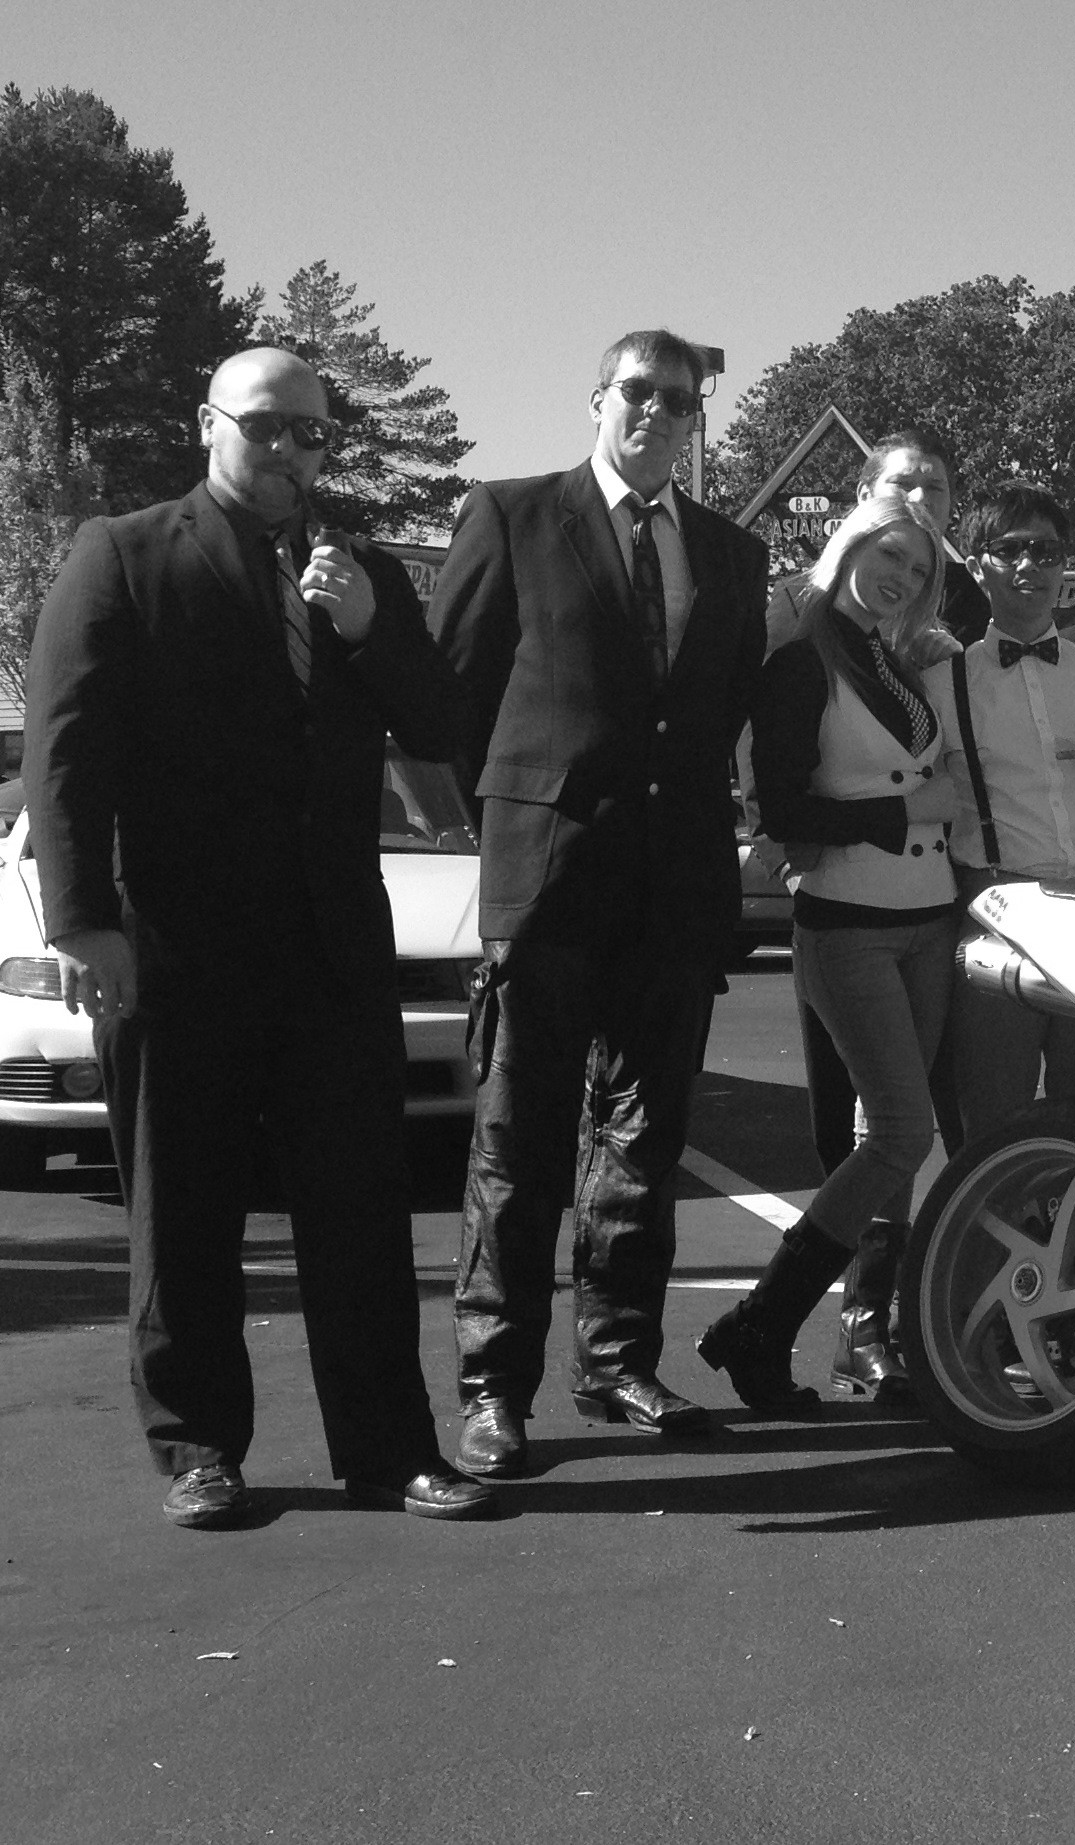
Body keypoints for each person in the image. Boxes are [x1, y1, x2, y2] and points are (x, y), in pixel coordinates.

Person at [24, 347, 491, 1526]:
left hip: (332, 950)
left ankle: (389, 1450)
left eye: (310, 434)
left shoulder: (358, 573)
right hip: (175, 948)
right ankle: (198, 1448)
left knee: (360, 1216)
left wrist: (370, 628)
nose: (287, 451)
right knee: (184, 1214)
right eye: (264, 427)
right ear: (209, 424)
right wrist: (82, 923)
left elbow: (439, 724)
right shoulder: (124, 554)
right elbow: (67, 748)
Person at [440, 329, 771, 1478]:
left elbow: (723, 705)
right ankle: (494, 1388)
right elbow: (456, 696)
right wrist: (521, 816)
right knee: (519, 1144)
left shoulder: (730, 553)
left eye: (680, 401)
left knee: (643, 1143)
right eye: (639, 392)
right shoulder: (511, 517)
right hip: (548, 882)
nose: (659, 414)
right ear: (597, 400)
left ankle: (618, 1361)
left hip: (674, 889)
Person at [705, 493, 964, 1412]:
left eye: (918, 569)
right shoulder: (799, 659)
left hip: (929, 918)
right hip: (849, 925)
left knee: (883, 1138)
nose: (900, 577)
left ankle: (843, 1332)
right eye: (888, 554)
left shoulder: (891, 657)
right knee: (901, 1133)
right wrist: (902, 811)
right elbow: (781, 809)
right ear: (849, 545)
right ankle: (760, 1324)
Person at [937, 482, 1075, 1143]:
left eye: (1046, 551)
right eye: (1010, 550)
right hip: (996, 914)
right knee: (993, 1120)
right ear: (976, 565)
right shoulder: (944, 682)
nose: (1030, 566)